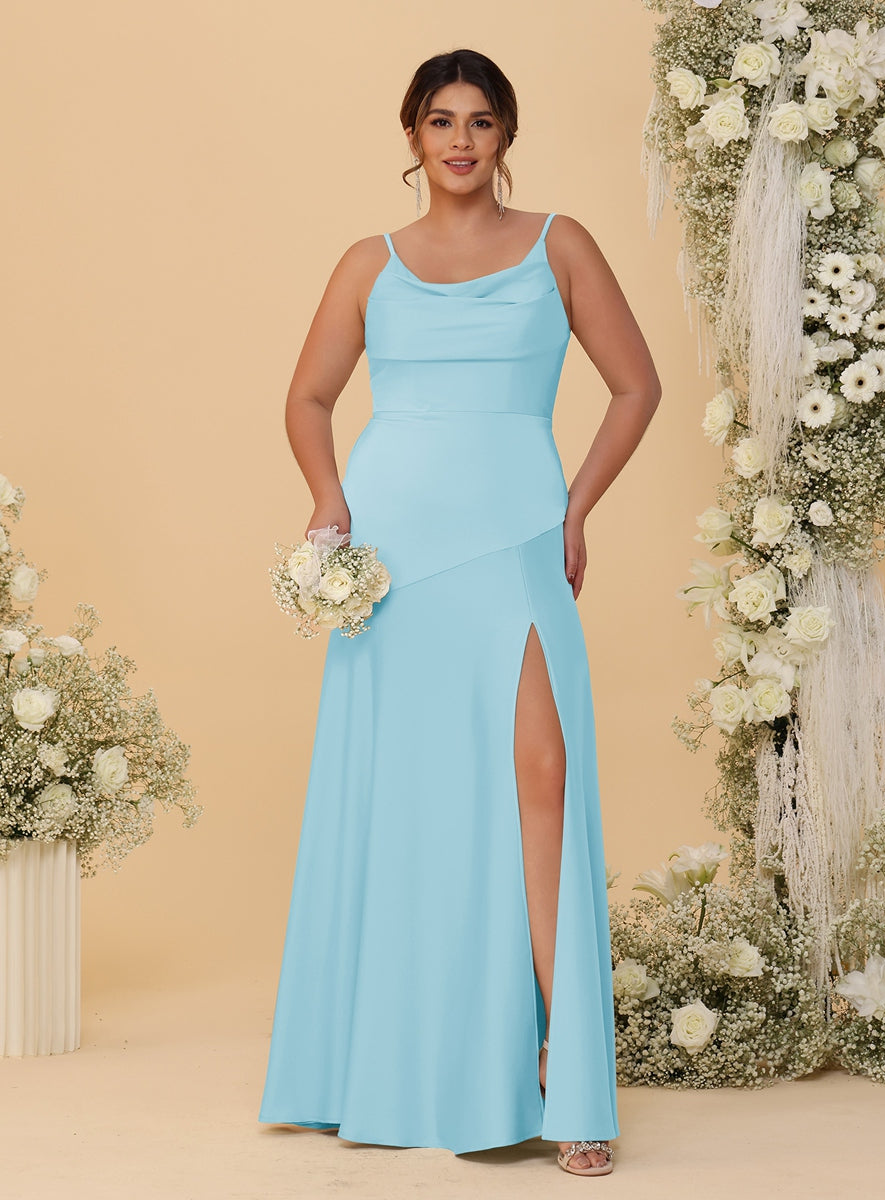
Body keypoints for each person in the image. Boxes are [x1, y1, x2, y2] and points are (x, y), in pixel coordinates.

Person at [258, 48, 661, 1178]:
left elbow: (637, 386)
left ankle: (570, 1077)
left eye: (481, 121)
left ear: (505, 135)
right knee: (405, 796)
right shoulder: (368, 263)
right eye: (441, 121)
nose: (461, 140)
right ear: (412, 136)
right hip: (395, 551)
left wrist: (576, 508)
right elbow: (308, 398)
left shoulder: (559, 246)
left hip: (517, 534)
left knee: (542, 774)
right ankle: (390, 1063)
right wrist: (329, 500)